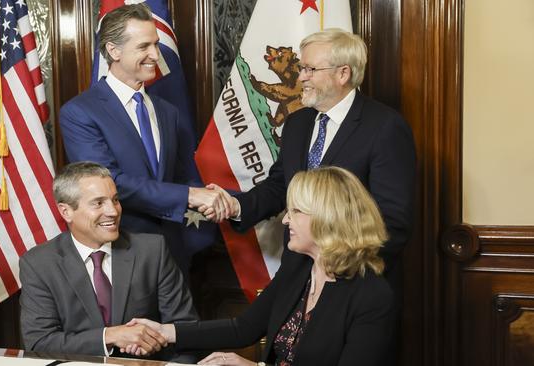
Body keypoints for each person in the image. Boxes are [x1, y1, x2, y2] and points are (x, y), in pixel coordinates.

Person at [201, 28, 416, 292]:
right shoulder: (297, 123)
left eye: (310, 69)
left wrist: (338, 268)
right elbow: (281, 186)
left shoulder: (385, 127)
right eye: (302, 68)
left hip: (354, 282)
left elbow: (392, 222)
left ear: (343, 73)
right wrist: (236, 205)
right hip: (296, 275)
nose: (301, 77)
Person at [130, 167, 396, 365]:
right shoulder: (299, 268)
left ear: (328, 220)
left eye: (295, 212)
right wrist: (165, 331)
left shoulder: (372, 296)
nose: (285, 221)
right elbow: (243, 329)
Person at [59, 3, 225, 270]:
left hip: (173, 252)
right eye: (144, 46)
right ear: (114, 50)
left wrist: (216, 200)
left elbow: (183, 174)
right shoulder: (80, 112)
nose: (155, 55)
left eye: (157, 45)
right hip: (120, 252)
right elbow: (110, 183)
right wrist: (190, 196)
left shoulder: (168, 111)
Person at [19, 162, 198, 362]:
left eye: (115, 200)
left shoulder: (153, 250)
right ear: (66, 211)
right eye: (98, 203)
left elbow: (186, 330)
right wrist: (111, 336)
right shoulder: (38, 263)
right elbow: (39, 343)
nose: (113, 211)